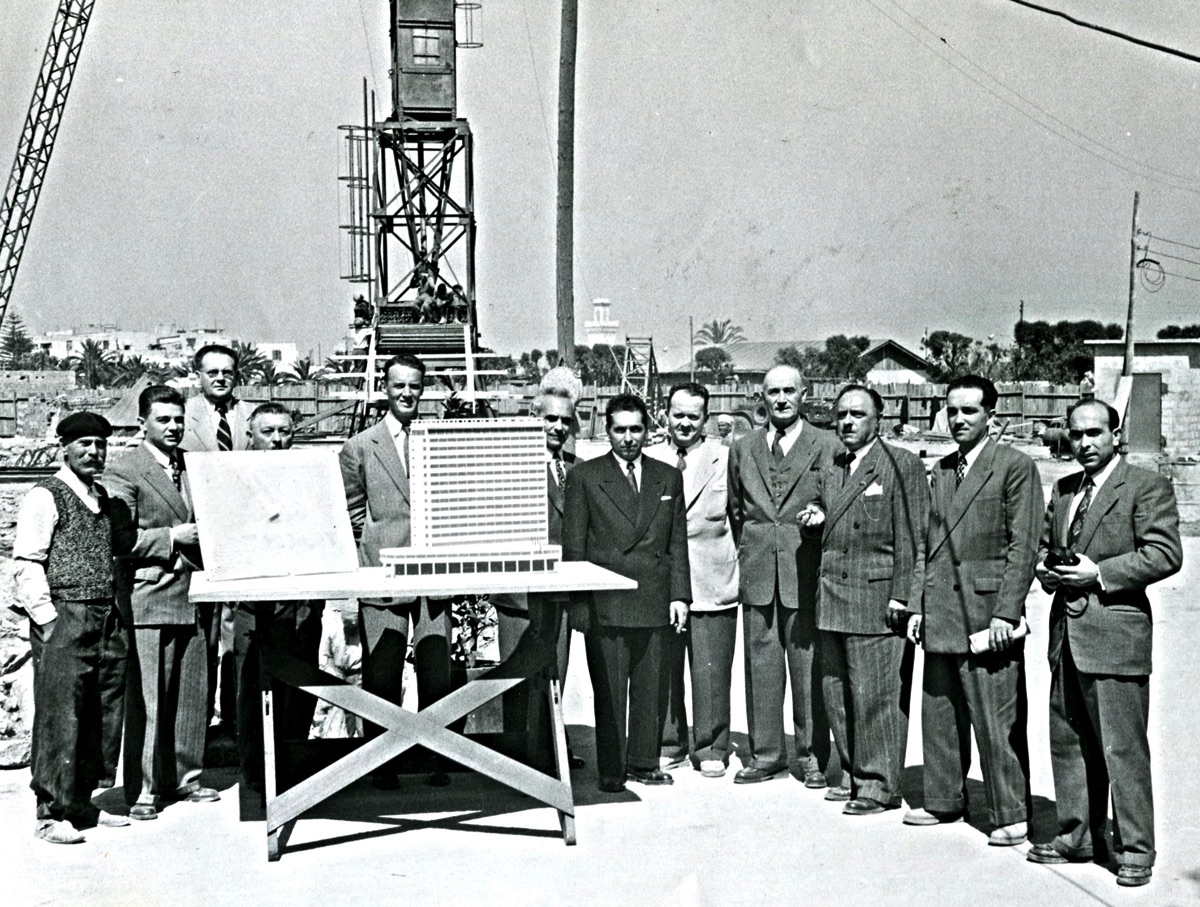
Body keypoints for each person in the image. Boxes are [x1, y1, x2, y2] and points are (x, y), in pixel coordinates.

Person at [1027, 399, 1181, 888]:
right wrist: (1046, 569)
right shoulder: (1065, 488)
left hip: (1115, 635)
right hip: (1066, 637)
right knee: (1068, 742)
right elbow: (1045, 545)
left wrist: (1099, 573)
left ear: (1117, 434)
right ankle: (1077, 836)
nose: (1084, 443)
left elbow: (1164, 554)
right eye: (1075, 434)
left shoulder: (1145, 486)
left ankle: (1136, 849)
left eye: (1094, 433)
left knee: (1122, 749)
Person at [904, 375, 1041, 846]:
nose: (959, 419)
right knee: (939, 712)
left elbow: (1024, 546)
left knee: (995, 718)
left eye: (969, 411)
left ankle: (1010, 811)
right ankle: (943, 799)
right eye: (952, 411)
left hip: (987, 613)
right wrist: (918, 604)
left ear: (991, 416)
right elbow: (925, 545)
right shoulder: (942, 469)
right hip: (940, 607)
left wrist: (1007, 613)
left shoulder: (1015, 466)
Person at [805, 385, 927, 816]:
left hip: (877, 601)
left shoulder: (901, 464)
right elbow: (827, 506)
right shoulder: (833, 465)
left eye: (857, 414)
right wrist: (817, 514)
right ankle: (854, 774)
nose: (847, 422)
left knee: (876, 697)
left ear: (879, 419)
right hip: (833, 598)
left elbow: (914, 538)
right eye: (841, 415)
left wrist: (904, 598)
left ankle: (878, 786)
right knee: (836, 693)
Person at [563, 394, 691, 793]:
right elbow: (574, 547)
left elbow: (676, 542)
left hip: (653, 596)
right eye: (620, 430)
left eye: (636, 429)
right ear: (608, 431)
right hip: (608, 600)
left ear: (647, 430)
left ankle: (643, 761)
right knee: (610, 690)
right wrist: (579, 605)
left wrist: (679, 596)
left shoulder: (667, 476)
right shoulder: (585, 476)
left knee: (651, 687)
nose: (629, 438)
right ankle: (612, 768)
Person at [14, 412, 131, 843]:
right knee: (60, 715)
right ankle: (50, 814)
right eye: (84, 444)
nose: (94, 452)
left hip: (106, 618)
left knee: (101, 713)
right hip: (66, 616)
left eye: (100, 444)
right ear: (64, 448)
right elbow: (27, 562)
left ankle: (81, 803)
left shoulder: (101, 496)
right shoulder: (46, 495)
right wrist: (49, 622)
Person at [339, 353, 453, 787]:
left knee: (436, 672)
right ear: (384, 388)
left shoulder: (437, 439)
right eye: (399, 385)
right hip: (383, 575)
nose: (407, 393)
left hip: (433, 575)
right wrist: (377, 544)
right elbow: (351, 513)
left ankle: (437, 757)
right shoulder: (359, 446)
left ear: (423, 390)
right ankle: (381, 763)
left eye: (414, 386)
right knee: (381, 674)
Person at [105, 385, 218, 821]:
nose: (173, 428)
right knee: (149, 699)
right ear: (142, 423)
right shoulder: (124, 469)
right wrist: (173, 536)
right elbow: (120, 539)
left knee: (193, 694)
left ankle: (186, 777)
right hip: (150, 595)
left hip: (196, 594)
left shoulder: (193, 465)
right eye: (163, 420)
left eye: (179, 420)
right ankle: (144, 789)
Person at [727, 364, 841, 787]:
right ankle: (766, 755)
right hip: (758, 571)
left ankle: (812, 758)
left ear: (804, 395)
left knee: (808, 668)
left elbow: (837, 499)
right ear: (761, 397)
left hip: (805, 571)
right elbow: (737, 511)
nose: (780, 399)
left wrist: (820, 514)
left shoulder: (827, 445)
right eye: (772, 391)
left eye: (789, 391)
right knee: (760, 666)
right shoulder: (744, 447)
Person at [645, 384, 739, 778]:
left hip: (712, 580)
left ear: (706, 418)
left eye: (693, 416)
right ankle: (670, 743)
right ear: (665, 414)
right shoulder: (650, 458)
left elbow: (740, 516)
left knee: (711, 672)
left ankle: (711, 746)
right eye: (677, 414)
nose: (684, 423)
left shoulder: (727, 458)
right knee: (664, 669)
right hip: (664, 584)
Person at [492, 368, 584, 768]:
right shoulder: (510, 465)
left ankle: (554, 752)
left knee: (555, 673)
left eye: (565, 420)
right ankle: (517, 760)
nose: (558, 427)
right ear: (534, 418)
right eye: (550, 419)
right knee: (517, 678)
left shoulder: (578, 468)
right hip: (518, 591)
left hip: (559, 591)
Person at [230, 404, 324, 788]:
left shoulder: (308, 475)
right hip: (253, 600)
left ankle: (293, 768)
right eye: (267, 432)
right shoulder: (235, 476)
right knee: (252, 685)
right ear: (251, 435)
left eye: (284, 431)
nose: (277, 439)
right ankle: (256, 774)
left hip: (301, 599)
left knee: (300, 682)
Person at [181, 343, 257, 738]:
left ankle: (235, 717)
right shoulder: (183, 416)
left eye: (227, 371)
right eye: (212, 372)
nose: (221, 378)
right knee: (204, 636)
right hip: (199, 539)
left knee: (238, 632)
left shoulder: (250, 415)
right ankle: (200, 723)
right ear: (198, 375)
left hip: (244, 536)